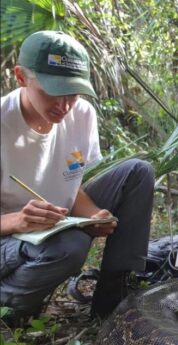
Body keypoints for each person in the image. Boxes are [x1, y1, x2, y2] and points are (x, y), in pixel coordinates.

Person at [1, 31, 155, 323]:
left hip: (51, 225)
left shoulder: (81, 114)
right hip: (9, 239)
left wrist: (95, 215)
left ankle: (112, 299)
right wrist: (16, 221)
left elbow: (70, 186)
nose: (63, 105)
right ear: (21, 77)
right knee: (70, 245)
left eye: (72, 93)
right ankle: (9, 307)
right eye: (51, 91)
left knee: (137, 172)